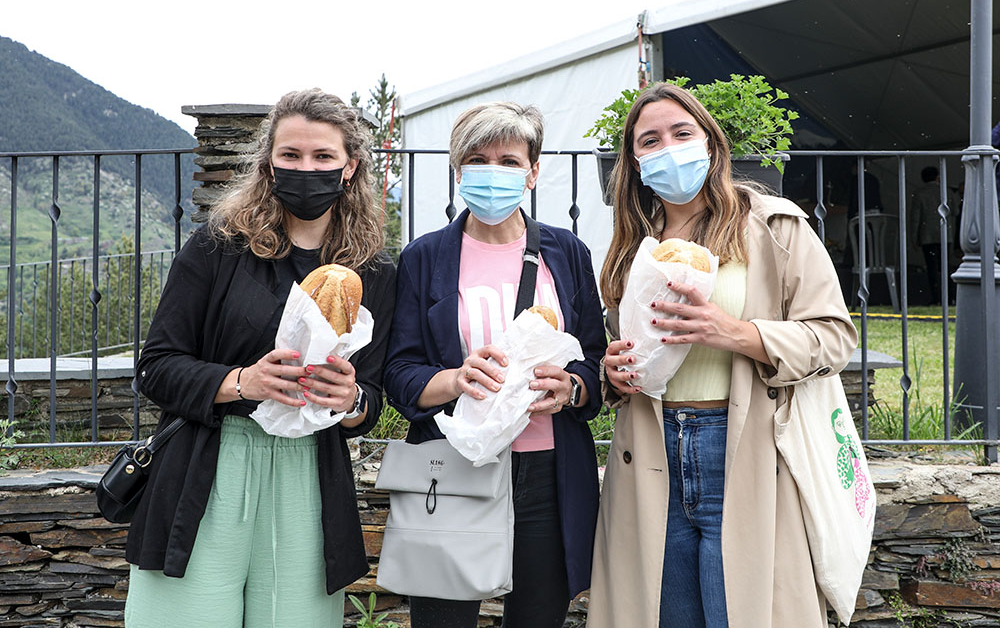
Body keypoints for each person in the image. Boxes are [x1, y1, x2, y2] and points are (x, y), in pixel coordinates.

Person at [588, 82, 858, 628]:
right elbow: (627, 352)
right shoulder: (631, 244)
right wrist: (612, 375)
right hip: (651, 450)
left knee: (746, 611)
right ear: (633, 161)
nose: (668, 148)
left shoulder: (773, 224)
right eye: (650, 140)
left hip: (743, 448)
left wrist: (734, 332)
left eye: (681, 133)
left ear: (710, 141)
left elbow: (834, 336)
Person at [124, 89, 396, 627]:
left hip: (309, 475)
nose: (305, 168)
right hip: (210, 462)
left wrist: (353, 399)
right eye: (290, 155)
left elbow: (372, 400)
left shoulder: (375, 271)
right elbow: (155, 365)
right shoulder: (219, 246)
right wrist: (242, 380)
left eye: (323, 158)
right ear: (268, 162)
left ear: (350, 167)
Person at [383, 101, 604, 628]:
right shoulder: (424, 256)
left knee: (537, 618)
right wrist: (455, 379)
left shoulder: (567, 252)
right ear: (459, 171)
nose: (493, 172)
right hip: (453, 468)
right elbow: (399, 372)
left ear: (533, 171)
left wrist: (572, 387)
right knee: (442, 619)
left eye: (508, 160)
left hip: (548, 471)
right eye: (478, 159)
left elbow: (595, 360)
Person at [908, 165, 958, 305]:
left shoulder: (920, 194)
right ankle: (950, 297)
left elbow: (915, 218)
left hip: (927, 236)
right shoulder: (946, 192)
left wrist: (914, 238)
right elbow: (955, 212)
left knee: (932, 269)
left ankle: (936, 298)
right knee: (946, 267)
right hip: (945, 235)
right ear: (938, 177)